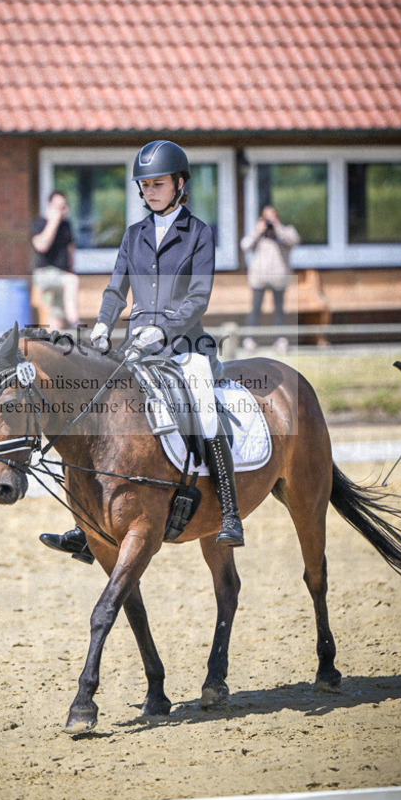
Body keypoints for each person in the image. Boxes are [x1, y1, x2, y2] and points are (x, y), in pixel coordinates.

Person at [39, 139, 244, 563]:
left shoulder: (199, 233)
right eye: (145, 185)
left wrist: (163, 330)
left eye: (158, 184)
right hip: (135, 347)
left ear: (180, 184)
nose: (150, 191)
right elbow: (116, 289)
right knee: (95, 414)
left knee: (205, 409)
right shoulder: (134, 235)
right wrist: (102, 324)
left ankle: (230, 512)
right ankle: (86, 526)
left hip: (185, 346)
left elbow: (199, 298)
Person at [240, 205, 300, 353]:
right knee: (255, 309)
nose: (269, 221)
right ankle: (250, 339)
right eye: (267, 217)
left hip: (279, 278)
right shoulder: (258, 234)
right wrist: (257, 231)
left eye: (272, 217)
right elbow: (244, 246)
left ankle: (280, 340)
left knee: (279, 310)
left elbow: (294, 241)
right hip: (259, 279)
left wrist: (278, 227)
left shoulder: (285, 231)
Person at [31, 191, 79, 331]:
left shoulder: (66, 226)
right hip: (45, 275)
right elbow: (41, 246)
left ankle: (54, 341)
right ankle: (74, 321)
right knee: (72, 281)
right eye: (57, 206)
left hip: (62, 276)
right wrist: (53, 222)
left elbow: (70, 250)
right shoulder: (40, 224)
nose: (61, 210)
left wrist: (71, 269)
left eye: (63, 207)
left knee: (56, 318)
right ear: (49, 206)